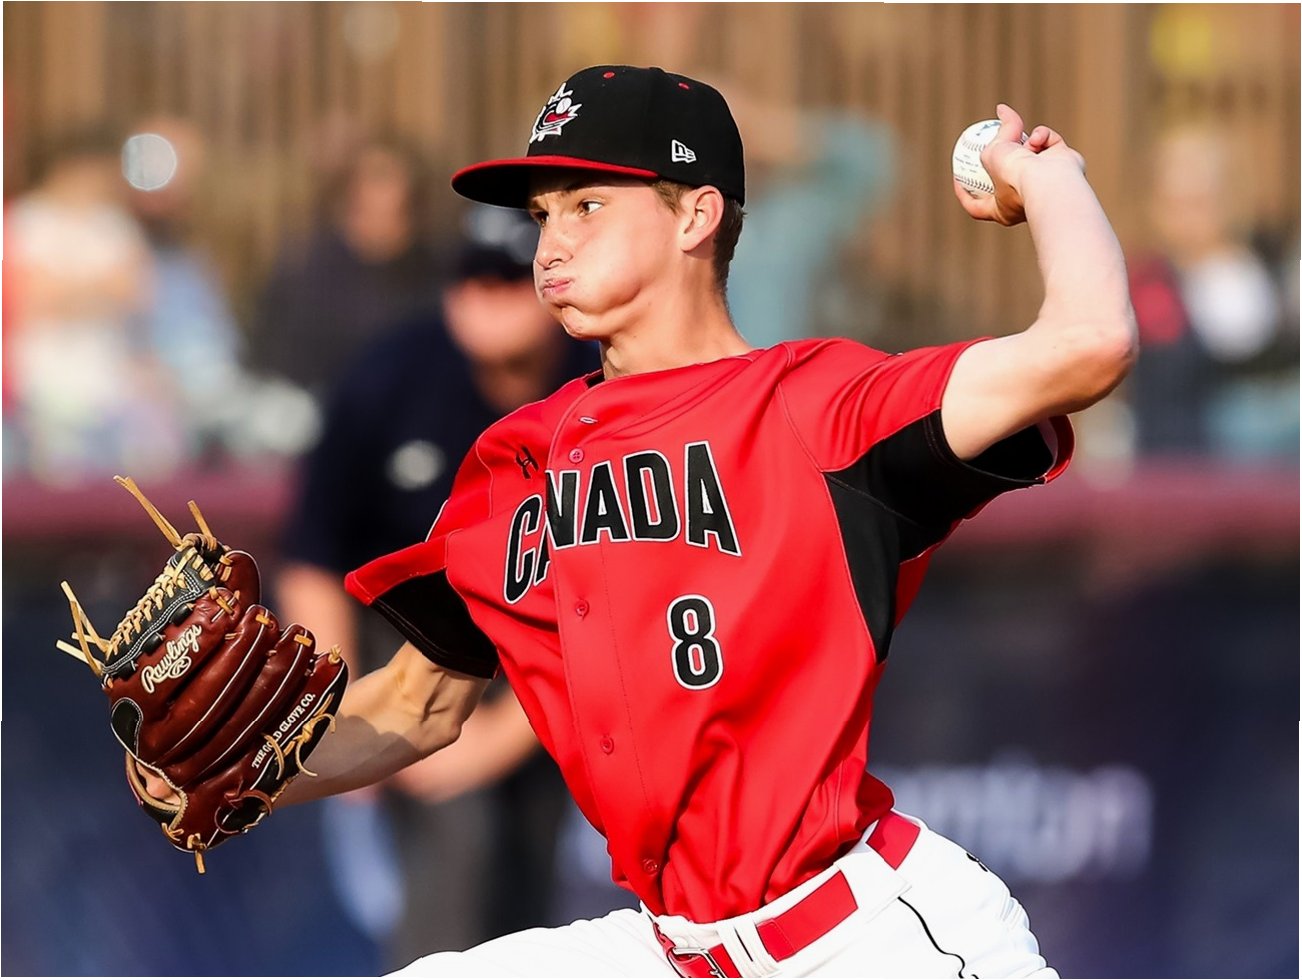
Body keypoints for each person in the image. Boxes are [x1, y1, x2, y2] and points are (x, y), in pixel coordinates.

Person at [147, 65, 1136, 976]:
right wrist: (235, 771)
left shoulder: (817, 405)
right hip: (669, 946)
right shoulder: (517, 461)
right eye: (543, 213)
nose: (552, 241)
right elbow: (416, 705)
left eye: (588, 204)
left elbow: (1090, 340)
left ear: (696, 213)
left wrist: (1046, 177)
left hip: (865, 937)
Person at [275, 205, 597, 967]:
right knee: (462, 844)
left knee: (528, 880)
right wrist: (334, 711)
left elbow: (606, 604)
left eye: (507, 281)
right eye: (470, 279)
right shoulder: (391, 376)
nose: (486, 299)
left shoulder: (596, 385)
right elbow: (314, 554)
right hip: (408, 639)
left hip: (555, 653)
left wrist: (495, 738)